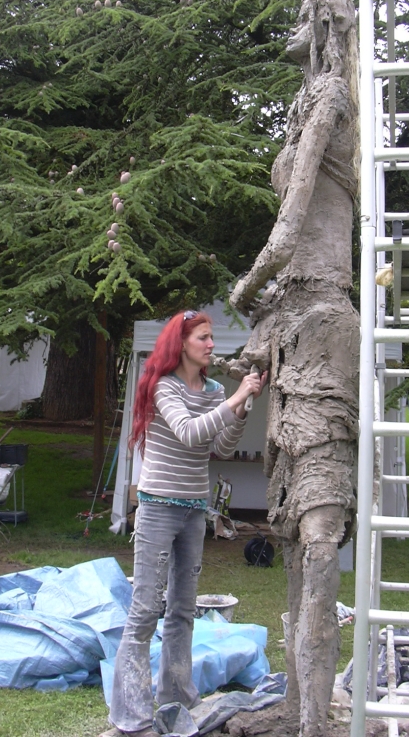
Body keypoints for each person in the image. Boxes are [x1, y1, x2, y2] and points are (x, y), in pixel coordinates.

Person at [223, 0, 359, 737]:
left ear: (326, 26)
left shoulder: (332, 95)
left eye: (306, 15)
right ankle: (300, 708)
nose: (294, 28)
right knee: (286, 532)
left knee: (318, 527)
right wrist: (263, 303)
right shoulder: (310, 98)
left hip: (321, 318)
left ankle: (315, 724)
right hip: (289, 320)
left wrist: (243, 286)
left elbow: (291, 220)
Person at [107, 310, 267, 737]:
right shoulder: (164, 388)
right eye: (204, 338)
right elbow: (189, 433)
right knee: (145, 609)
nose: (212, 345)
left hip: (195, 507)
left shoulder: (214, 389)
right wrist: (234, 400)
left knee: (182, 609)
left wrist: (241, 409)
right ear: (181, 344)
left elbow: (222, 446)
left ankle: (177, 696)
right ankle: (130, 714)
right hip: (158, 505)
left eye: (212, 338)